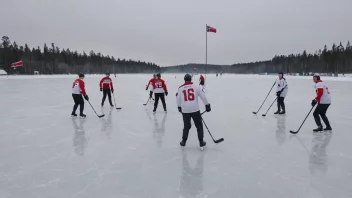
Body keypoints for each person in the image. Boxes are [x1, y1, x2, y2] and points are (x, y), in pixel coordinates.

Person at [177, 74, 211, 149]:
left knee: (186, 126)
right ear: (190, 79)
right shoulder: (196, 86)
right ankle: (201, 142)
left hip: (185, 110)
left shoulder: (180, 88)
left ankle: (183, 141)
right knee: (199, 126)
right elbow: (203, 96)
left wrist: (179, 107)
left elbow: (178, 98)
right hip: (195, 109)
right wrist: (207, 105)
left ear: (184, 79)